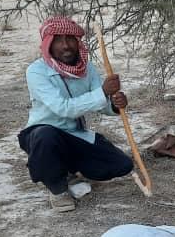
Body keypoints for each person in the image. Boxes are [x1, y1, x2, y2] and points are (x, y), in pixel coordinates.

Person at [18, 16, 133, 213]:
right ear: (48, 44)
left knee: (122, 165)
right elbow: (63, 108)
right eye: (58, 40)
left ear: (77, 42)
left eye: (70, 39)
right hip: (41, 135)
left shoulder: (86, 68)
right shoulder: (36, 71)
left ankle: (67, 170)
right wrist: (102, 92)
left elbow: (102, 105)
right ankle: (57, 188)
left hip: (75, 135)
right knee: (47, 137)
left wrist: (114, 105)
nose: (66, 46)